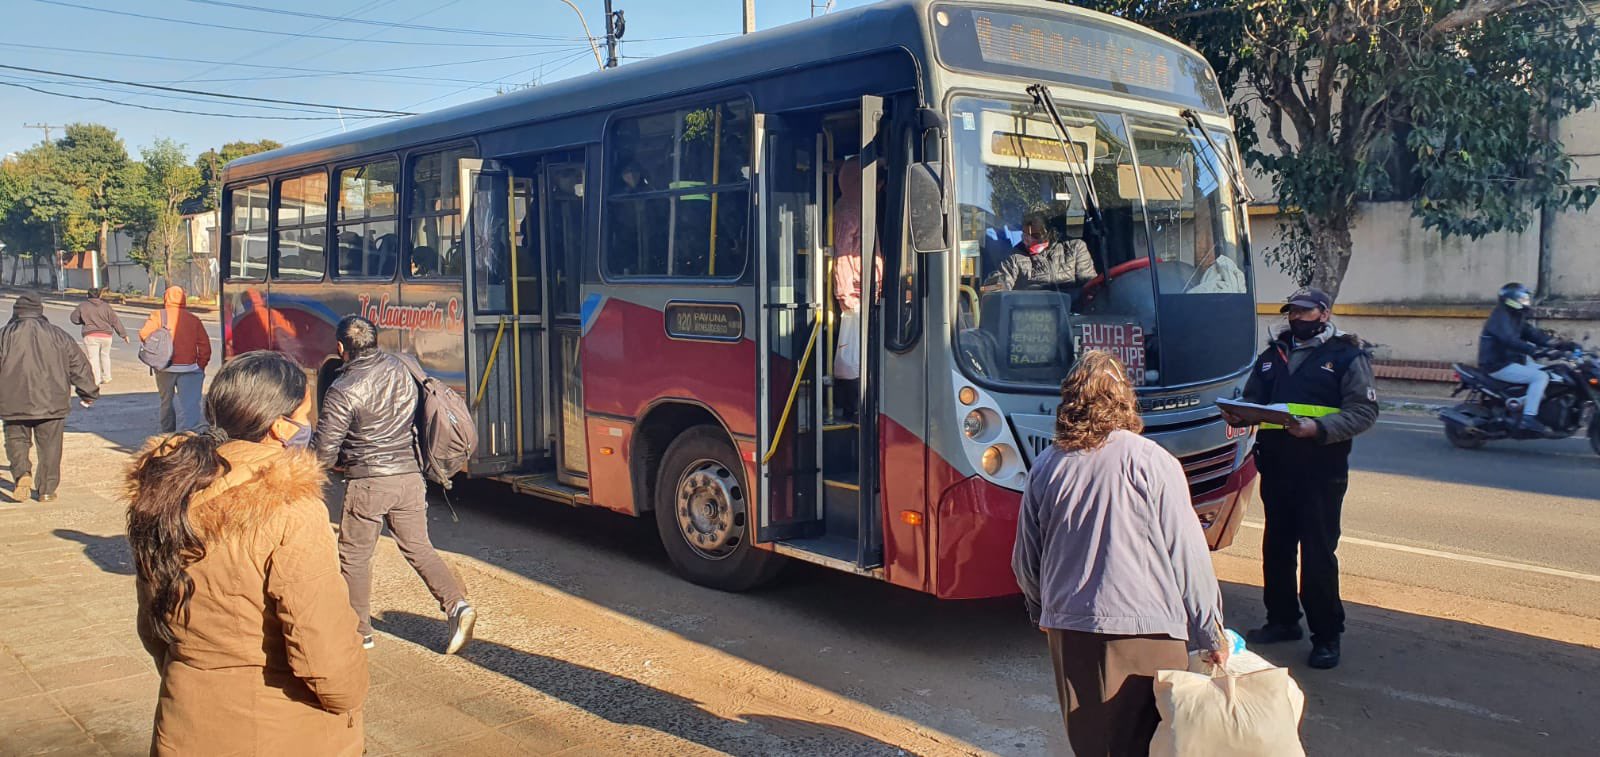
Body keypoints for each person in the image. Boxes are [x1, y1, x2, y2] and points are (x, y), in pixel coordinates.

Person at [126, 350, 367, 756]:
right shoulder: (291, 506)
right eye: (304, 414)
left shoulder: (166, 490)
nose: (309, 424)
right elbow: (322, 651)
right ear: (278, 427)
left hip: (184, 719)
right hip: (281, 729)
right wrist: (352, 694)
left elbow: (154, 625)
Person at [1013, 351, 1228, 756]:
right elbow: (1189, 556)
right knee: (1147, 743)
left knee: (1091, 744)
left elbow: (1026, 558)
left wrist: (1042, 608)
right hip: (1149, 632)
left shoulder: (1047, 464)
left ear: (1071, 401)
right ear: (1126, 399)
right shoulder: (1154, 462)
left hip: (1071, 627)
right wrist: (1209, 632)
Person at [1221, 287, 1379, 670]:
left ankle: (1326, 636)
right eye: (1293, 312)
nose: (1297, 318)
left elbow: (1364, 412)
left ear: (1324, 314)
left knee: (1318, 555)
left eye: (1305, 312)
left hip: (1321, 472)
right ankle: (1282, 620)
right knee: (1276, 548)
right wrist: (1239, 414)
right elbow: (1254, 400)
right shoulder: (1273, 355)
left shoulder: (1346, 356)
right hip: (1277, 467)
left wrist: (1318, 428)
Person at [313, 315, 477, 654]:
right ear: (375, 340)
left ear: (341, 348)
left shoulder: (342, 389)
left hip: (368, 482)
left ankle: (360, 633)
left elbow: (324, 454)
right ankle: (457, 605)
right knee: (419, 547)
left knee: (355, 557)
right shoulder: (405, 367)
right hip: (409, 476)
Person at [0, 293, 99, 503]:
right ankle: (46, 490)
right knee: (50, 447)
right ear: (40, 310)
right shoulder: (58, 335)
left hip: (12, 402)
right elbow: (78, 365)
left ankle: (22, 474)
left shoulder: (4, 336)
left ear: (17, 312)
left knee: (16, 440)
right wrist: (88, 392)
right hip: (52, 402)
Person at [831, 156, 884, 420]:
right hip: (855, 290)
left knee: (860, 349)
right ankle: (852, 403)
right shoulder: (850, 210)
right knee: (852, 351)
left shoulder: (862, 207)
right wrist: (844, 292)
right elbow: (842, 252)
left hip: (866, 287)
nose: (879, 187)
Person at [1479, 282, 1565, 434]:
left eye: (1526, 298)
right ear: (1512, 300)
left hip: (1516, 361)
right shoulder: (1500, 318)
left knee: (1555, 375)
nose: (1526, 302)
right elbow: (1509, 340)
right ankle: (1528, 418)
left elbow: (1532, 334)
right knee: (1540, 377)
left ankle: (1526, 403)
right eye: (1523, 299)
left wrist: (1561, 344)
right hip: (1498, 365)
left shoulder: (1515, 316)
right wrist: (1535, 351)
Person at [140, 286, 213, 433]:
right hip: (190, 369)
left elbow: (144, 334)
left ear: (166, 298)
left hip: (164, 367)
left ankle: (167, 433)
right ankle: (189, 434)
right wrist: (200, 365)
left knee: (166, 402)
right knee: (190, 405)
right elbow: (205, 346)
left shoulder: (158, 316)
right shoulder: (194, 320)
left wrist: (159, 353)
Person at [986, 206, 1097, 291]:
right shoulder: (1015, 257)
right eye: (1025, 235)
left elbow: (1090, 287)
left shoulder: (1075, 248)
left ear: (1051, 233)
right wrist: (994, 286)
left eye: (1035, 236)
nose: (1028, 241)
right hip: (1032, 315)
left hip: (1071, 314)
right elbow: (997, 284)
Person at [69, 287, 129, 385]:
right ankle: (107, 377)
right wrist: (124, 335)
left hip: (90, 335)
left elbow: (74, 319)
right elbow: (115, 321)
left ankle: (96, 379)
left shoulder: (83, 306)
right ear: (100, 295)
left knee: (93, 358)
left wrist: (83, 321)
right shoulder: (106, 307)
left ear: (87, 295)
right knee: (105, 355)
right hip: (106, 335)